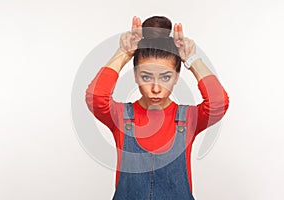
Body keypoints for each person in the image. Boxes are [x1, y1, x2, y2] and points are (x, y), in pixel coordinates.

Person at [85, 16, 229, 200]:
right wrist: (123, 53)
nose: (155, 87)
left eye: (165, 77)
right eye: (146, 77)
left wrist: (192, 59)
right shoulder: (121, 117)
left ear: (177, 76)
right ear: (135, 76)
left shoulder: (189, 118)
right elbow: (96, 97)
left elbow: (219, 102)